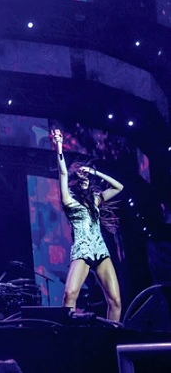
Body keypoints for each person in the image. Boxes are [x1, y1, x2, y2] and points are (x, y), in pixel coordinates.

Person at [51, 129, 123, 321]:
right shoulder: (69, 201)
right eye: (81, 176)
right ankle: (69, 335)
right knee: (70, 296)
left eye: (87, 177)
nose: (85, 178)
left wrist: (94, 171)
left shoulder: (95, 201)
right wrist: (59, 146)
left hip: (100, 251)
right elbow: (63, 172)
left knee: (115, 301)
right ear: (75, 181)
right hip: (82, 251)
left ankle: (111, 335)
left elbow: (118, 187)